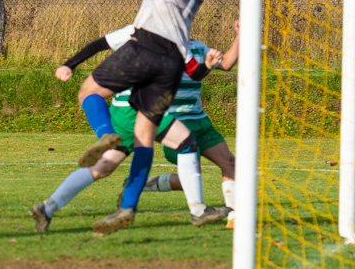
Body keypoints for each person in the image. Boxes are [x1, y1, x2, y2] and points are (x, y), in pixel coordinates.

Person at [70, 0, 220, 236]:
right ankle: (129, 208)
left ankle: (104, 132)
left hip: (145, 48)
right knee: (144, 137)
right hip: (172, 63)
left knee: (90, 91)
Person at [30, 24, 231, 233]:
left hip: (123, 109)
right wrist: (69, 65)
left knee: (102, 167)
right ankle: (197, 210)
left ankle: (47, 207)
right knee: (186, 143)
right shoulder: (155, 32)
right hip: (141, 106)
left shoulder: (165, 35)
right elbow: (100, 45)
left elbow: (194, 73)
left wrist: (69, 65)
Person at [142, 21, 239, 229]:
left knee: (231, 163)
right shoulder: (156, 50)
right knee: (193, 179)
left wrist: (240, 36)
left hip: (200, 120)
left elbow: (227, 64)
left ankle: (235, 217)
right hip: (174, 126)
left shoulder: (197, 47)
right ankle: (144, 184)